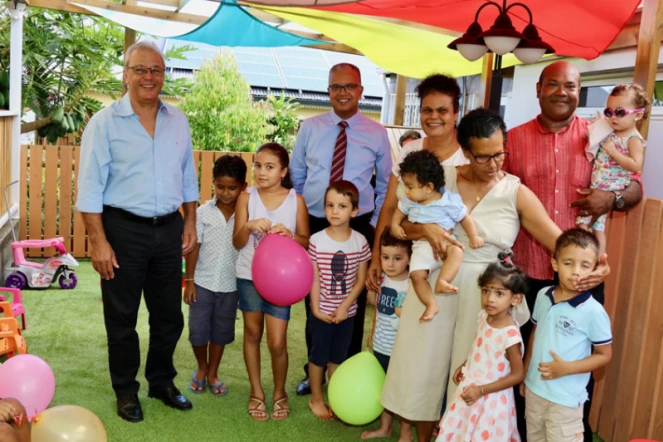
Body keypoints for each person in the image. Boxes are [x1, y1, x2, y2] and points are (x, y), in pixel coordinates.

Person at [380, 108, 562, 442]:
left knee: (470, 371)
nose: (494, 164)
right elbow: (402, 225)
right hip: (435, 281)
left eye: (500, 154)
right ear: (465, 151)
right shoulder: (442, 178)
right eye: (483, 156)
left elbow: (558, 241)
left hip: (485, 296)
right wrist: (427, 230)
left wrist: (590, 257)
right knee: (422, 365)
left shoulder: (515, 192)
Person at [504, 60, 628, 441]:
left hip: (582, 276)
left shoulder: (601, 136)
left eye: (571, 86)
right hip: (528, 272)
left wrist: (614, 197)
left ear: (579, 91)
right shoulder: (513, 139)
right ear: (538, 88)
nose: (562, 92)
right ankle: (524, 432)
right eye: (553, 84)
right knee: (524, 358)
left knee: (578, 362)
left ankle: (574, 433)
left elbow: (633, 184)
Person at [76, 40, 199, 422]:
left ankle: (161, 382)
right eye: (140, 69)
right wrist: (98, 241)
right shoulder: (103, 123)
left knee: (168, 317)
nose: (149, 76)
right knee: (122, 317)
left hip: (169, 230)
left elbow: (188, 177)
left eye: (156, 70)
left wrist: (190, 220)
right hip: (122, 230)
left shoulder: (178, 120)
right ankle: (126, 390)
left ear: (163, 76)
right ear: (125, 74)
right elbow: (90, 188)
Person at [291, 63, 392, 395]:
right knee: (315, 299)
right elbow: (299, 177)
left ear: (361, 91)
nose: (343, 92)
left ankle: (345, 376)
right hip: (318, 222)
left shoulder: (376, 132)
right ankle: (314, 371)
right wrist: (308, 218)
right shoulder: (310, 127)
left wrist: (372, 226)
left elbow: (385, 184)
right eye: (336, 87)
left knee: (354, 303)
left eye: (350, 86)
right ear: (328, 91)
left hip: (359, 225)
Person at [367, 73, 469, 295]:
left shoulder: (469, 156)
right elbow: (389, 209)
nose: (434, 117)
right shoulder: (409, 150)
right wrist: (376, 257)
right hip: (409, 264)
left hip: (453, 264)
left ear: (455, 114)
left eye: (442, 110)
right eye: (427, 110)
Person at [233, 142, 310, 421]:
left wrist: (290, 235)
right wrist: (248, 226)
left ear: (283, 171)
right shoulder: (246, 197)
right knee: (252, 334)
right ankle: (257, 393)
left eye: (269, 167)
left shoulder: (295, 200)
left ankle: (280, 393)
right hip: (248, 276)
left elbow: (305, 241)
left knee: (277, 342)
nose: (261, 172)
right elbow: (237, 241)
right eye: (257, 165)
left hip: (281, 283)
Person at [521, 228, 612, 442]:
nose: (576, 272)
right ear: (555, 264)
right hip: (535, 391)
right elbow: (535, 334)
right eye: (568, 263)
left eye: (585, 265)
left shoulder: (594, 312)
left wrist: (566, 368)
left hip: (565, 401)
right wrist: (525, 375)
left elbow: (604, 355)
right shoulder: (543, 296)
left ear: (595, 269)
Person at [437, 251, 527, 442]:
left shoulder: (510, 335)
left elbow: (518, 375)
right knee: (462, 431)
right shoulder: (483, 317)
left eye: (499, 293)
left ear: (515, 299)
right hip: (471, 388)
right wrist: (465, 365)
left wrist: (482, 390)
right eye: (486, 291)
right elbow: (479, 348)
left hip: (491, 400)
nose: (490, 299)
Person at [391, 149, 483, 322]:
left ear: (429, 187)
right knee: (417, 276)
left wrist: (474, 236)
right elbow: (398, 212)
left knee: (457, 251)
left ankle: (443, 280)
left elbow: (465, 218)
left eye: (410, 187)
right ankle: (431, 303)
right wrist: (395, 225)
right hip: (421, 247)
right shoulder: (409, 201)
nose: (406, 191)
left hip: (445, 243)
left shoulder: (448, 200)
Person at [307, 181, 371, 420]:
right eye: (330, 205)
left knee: (337, 358)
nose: (334, 211)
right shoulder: (316, 240)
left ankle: (334, 397)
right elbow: (314, 280)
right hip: (321, 313)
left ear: (354, 211)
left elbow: (361, 279)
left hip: (347, 315)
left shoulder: (360, 241)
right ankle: (316, 398)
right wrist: (315, 309)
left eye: (342, 206)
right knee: (318, 357)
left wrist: (345, 307)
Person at [183, 155, 247, 396]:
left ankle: (213, 373)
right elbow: (193, 246)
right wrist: (189, 282)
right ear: (213, 183)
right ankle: (201, 367)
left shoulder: (246, 215)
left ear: (243, 187)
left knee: (221, 331)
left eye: (232, 188)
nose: (226, 193)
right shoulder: (202, 212)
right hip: (202, 283)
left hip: (231, 286)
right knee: (198, 331)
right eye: (220, 187)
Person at [577, 84, 649, 254]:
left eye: (620, 112)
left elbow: (636, 165)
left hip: (609, 186)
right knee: (594, 225)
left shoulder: (633, 139)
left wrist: (613, 152)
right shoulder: (612, 131)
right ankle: (592, 255)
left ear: (638, 115)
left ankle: (595, 256)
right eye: (609, 112)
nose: (613, 117)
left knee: (586, 223)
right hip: (600, 183)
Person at [361, 227, 413, 442]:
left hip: (401, 350)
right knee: (384, 390)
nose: (390, 264)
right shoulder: (382, 279)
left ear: (410, 258)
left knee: (401, 392)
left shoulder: (413, 283)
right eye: (385, 257)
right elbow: (377, 306)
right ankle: (385, 428)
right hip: (380, 345)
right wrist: (371, 291)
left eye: (397, 258)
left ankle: (405, 434)